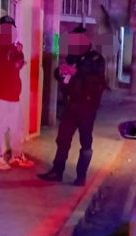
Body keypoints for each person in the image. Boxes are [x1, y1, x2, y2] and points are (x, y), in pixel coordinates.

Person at [38, 25, 107, 186]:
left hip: (87, 107)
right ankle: (57, 171)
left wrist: (77, 72)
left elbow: (97, 78)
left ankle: (81, 176)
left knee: (85, 142)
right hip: (71, 105)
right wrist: (61, 72)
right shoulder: (72, 57)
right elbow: (60, 74)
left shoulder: (96, 59)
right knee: (62, 140)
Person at [0, 15, 32, 170]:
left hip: (13, 93)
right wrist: (9, 55)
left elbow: (17, 64)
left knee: (17, 127)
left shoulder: (11, 46)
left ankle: (17, 155)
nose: (9, 32)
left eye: (11, 30)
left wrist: (18, 53)